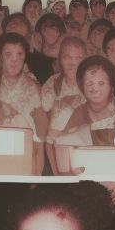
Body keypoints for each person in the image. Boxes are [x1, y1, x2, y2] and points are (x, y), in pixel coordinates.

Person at [0, 32, 47, 174]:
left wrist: (36, 143)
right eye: (8, 55)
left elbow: (41, 121)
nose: (15, 60)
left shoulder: (33, 87)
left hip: (27, 148)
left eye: (20, 54)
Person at [48, 55, 115, 149]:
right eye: (89, 83)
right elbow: (57, 145)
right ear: (82, 87)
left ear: (111, 85)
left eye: (101, 83)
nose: (95, 88)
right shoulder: (74, 114)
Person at [43, 36, 87, 171]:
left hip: (85, 145)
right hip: (57, 144)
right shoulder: (53, 82)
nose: (72, 63)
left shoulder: (92, 81)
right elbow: (45, 112)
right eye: (67, 57)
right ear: (60, 59)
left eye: (78, 58)